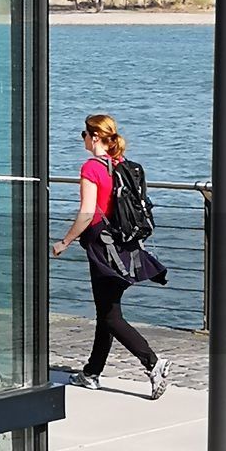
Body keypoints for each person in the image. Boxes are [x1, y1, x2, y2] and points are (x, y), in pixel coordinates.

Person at [52, 113, 171, 398]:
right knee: (107, 311)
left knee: (111, 316)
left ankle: (153, 363)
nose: (82, 139)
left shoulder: (92, 168)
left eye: (83, 134)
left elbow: (87, 213)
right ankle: (92, 373)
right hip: (124, 246)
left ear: (94, 137)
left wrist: (65, 241)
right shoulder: (123, 166)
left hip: (102, 248)